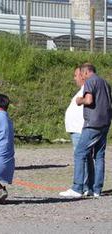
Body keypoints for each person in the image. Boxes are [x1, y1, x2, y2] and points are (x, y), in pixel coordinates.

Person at [60, 63, 112, 198]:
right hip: (105, 123)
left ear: (86, 72)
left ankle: (77, 187)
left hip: (92, 123)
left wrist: (79, 100)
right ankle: (96, 190)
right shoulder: (105, 83)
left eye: (82, 74)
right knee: (99, 156)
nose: (82, 77)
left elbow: (89, 100)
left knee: (80, 153)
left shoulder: (90, 81)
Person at [64, 66, 94, 196]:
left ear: (83, 75)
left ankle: (80, 187)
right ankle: (87, 186)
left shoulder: (86, 90)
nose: (74, 78)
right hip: (77, 129)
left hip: (79, 129)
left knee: (82, 157)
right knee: (85, 158)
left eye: (76, 75)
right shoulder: (83, 90)